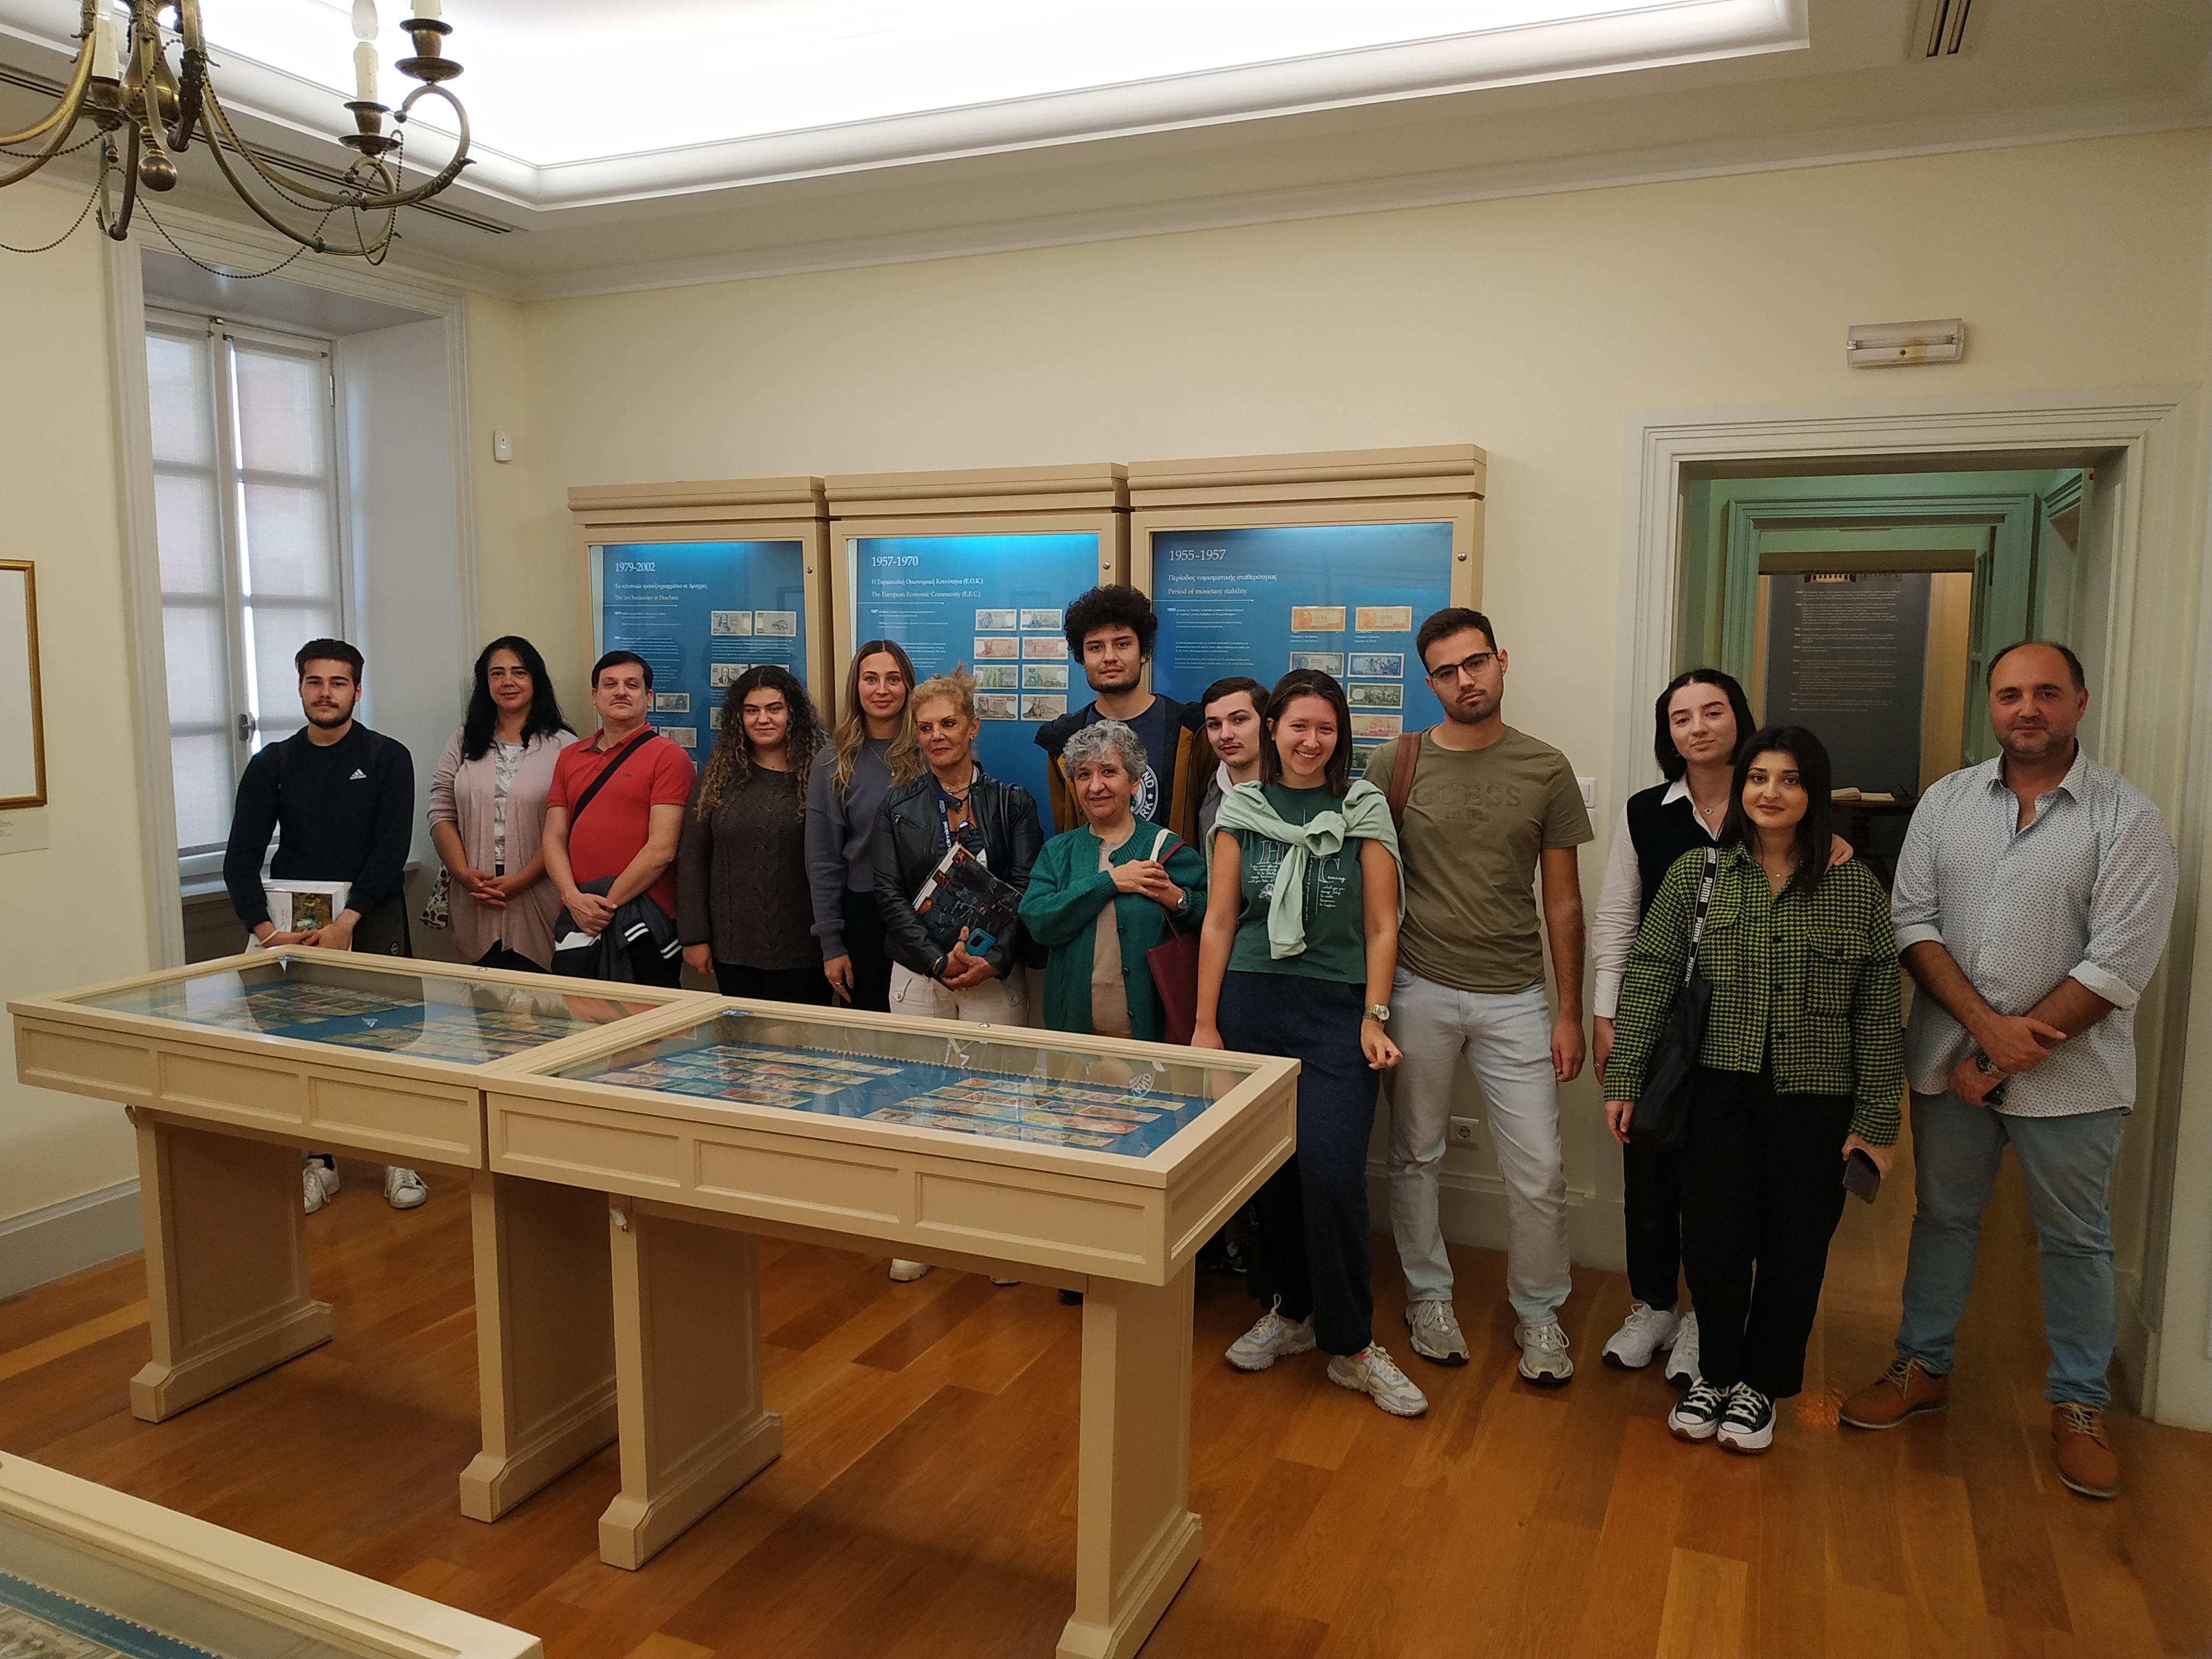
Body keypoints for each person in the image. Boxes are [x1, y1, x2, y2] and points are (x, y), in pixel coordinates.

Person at [1839, 641, 2176, 1500]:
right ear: (1990, 705)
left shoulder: (2126, 820)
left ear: (2079, 703)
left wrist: (2003, 1054)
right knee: (1944, 1217)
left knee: (2076, 1238)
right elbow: (1910, 921)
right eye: (2010, 694)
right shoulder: (1949, 802)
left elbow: (2119, 964)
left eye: (2046, 694)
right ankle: (1923, 1366)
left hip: (2075, 1077)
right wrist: (1985, 1033)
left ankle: (2078, 1405)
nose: (2027, 709)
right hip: (1951, 1061)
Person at [1604, 726, 1902, 1455]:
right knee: (1713, 1240)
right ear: (1741, 790)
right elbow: (1649, 977)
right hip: (1717, 1093)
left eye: (1791, 779)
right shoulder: (1696, 878)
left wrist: (1877, 1120)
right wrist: (1626, 1076)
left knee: (1796, 1248)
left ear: (1813, 794)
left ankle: (1761, 1387)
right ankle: (1714, 1373)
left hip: (1815, 1099)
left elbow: (1879, 1010)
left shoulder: (1854, 889)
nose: (1772, 792)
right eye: (1758, 777)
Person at [1361, 608, 1592, 1381]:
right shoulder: (1395, 761)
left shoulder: (1546, 767)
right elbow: (1370, 895)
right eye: (1448, 671)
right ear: (1430, 682)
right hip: (1419, 987)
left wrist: (1568, 1012)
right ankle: (1428, 1295)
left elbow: (1562, 902)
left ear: (1501, 661)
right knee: (1415, 1155)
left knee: (1539, 1170)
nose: (1466, 681)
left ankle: (1539, 1314)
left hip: (1517, 995)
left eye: (1476, 663)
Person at [1197, 671, 1426, 1418]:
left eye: (1325, 728)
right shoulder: (1243, 810)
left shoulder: (1360, 808)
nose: (1310, 741)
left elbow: (1384, 926)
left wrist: (1375, 1016)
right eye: (1297, 726)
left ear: (1340, 736)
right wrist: (1206, 1024)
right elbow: (1222, 923)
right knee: (1269, 1179)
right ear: (1273, 729)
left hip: (1336, 1013)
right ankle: (1290, 1313)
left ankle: (1353, 1345)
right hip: (1253, 1006)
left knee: (1331, 1175)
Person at [222, 638, 425, 1214]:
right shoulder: (273, 764)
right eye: (315, 682)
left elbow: (390, 851)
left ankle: (398, 1156)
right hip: (294, 926)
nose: (326, 693)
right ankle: (319, 1161)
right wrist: (265, 932)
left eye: (339, 683)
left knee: (387, 1040)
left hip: (371, 912)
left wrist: (349, 922)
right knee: (303, 1045)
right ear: (301, 688)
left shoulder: (388, 757)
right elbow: (240, 859)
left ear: (357, 690)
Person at [876, 666, 1044, 1283]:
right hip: (920, 973)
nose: (938, 736)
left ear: (972, 727)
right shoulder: (897, 805)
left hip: (992, 974)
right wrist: (933, 957)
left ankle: (995, 1239)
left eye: (949, 723)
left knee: (997, 1104)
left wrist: (992, 958)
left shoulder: (1014, 802)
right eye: (926, 728)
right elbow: (887, 893)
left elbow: (1029, 887)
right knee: (919, 1100)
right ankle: (918, 1234)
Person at [1019, 719, 1207, 1041]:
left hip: (1152, 1037)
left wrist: (1178, 898)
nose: (1095, 786)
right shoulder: (1058, 851)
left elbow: (1213, 916)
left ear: (1134, 782)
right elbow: (1037, 920)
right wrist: (1110, 882)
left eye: (1108, 772)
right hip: (1073, 1035)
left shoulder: (1166, 847)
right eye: (1084, 775)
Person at [542, 651, 695, 987]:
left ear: (648, 697)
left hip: (644, 917)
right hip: (578, 915)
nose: (621, 692)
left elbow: (662, 849)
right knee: (580, 1020)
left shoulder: (669, 757)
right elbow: (554, 837)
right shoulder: (570, 756)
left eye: (632, 685)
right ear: (595, 696)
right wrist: (573, 898)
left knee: (649, 1029)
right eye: (610, 684)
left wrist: (603, 907)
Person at [427, 636, 577, 973]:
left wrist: (522, 879)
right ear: (485, 683)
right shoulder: (463, 740)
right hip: (476, 891)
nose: (508, 682)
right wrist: (462, 873)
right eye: (497, 674)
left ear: (536, 680)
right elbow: (441, 810)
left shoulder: (565, 746)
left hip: (540, 891)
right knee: (487, 1008)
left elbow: (568, 826)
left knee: (542, 1011)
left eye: (519, 673)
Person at [679, 666, 829, 1003]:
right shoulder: (719, 775)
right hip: (733, 951)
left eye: (774, 709)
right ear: (739, 718)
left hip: (807, 952)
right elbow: (693, 859)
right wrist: (693, 937)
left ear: (793, 714)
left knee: (800, 1052)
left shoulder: (823, 774)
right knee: (742, 1052)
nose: (763, 719)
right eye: (752, 710)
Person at [1035, 585, 1204, 844]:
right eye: (1095, 648)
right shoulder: (1062, 740)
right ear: (1082, 658)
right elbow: (1066, 830)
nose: (1109, 657)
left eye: (1122, 644)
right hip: (1095, 880)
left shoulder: (1191, 731)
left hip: (1174, 880)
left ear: (1144, 652)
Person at [808, 640, 921, 1011]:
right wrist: (832, 945)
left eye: (893, 679)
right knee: (869, 1036)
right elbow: (823, 860)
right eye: (871, 678)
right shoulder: (832, 762)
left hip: (928, 910)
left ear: (908, 686)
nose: (882, 689)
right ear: (856, 688)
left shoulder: (931, 751)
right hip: (863, 916)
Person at [1195, 675, 1267, 844]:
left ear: (1267, 724)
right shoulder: (1206, 791)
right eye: (1215, 725)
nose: (1226, 735)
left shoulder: (1295, 788)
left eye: (1239, 720)